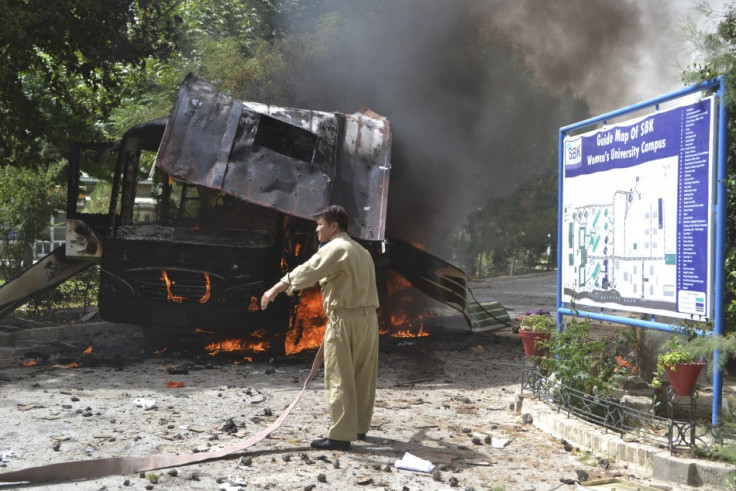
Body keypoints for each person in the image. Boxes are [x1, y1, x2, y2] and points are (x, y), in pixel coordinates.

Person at [261, 205, 379, 451]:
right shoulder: (361, 251)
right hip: (369, 321)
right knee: (363, 377)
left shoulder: (336, 248)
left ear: (334, 226)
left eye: (320, 224)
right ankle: (358, 427)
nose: (316, 229)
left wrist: (276, 288)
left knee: (339, 376)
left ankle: (340, 436)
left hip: (344, 321)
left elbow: (309, 269)